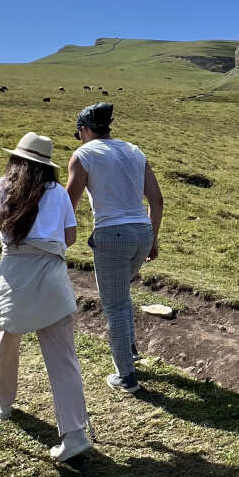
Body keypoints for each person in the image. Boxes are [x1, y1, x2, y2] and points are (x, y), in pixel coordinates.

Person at [0, 131, 92, 463]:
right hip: (53, 275)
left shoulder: (6, 185)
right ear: (47, 165)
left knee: (7, 338)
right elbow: (69, 236)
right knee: (63, 359)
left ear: (17, 159)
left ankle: (2, 402)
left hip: (16, 272)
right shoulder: (58, 193)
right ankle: (75, 434)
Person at [66, 102, 164, 396]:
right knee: (122, 295)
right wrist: (154, 237)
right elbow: (156, 199)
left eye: (78, 132)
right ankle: (129, 349)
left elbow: (69, 203)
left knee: (115, 305)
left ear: (84, 130)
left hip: (112, 234)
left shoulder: (83, 155)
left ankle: (126, 377)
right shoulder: (134, 151)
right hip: (142, 232)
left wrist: (59, 238)